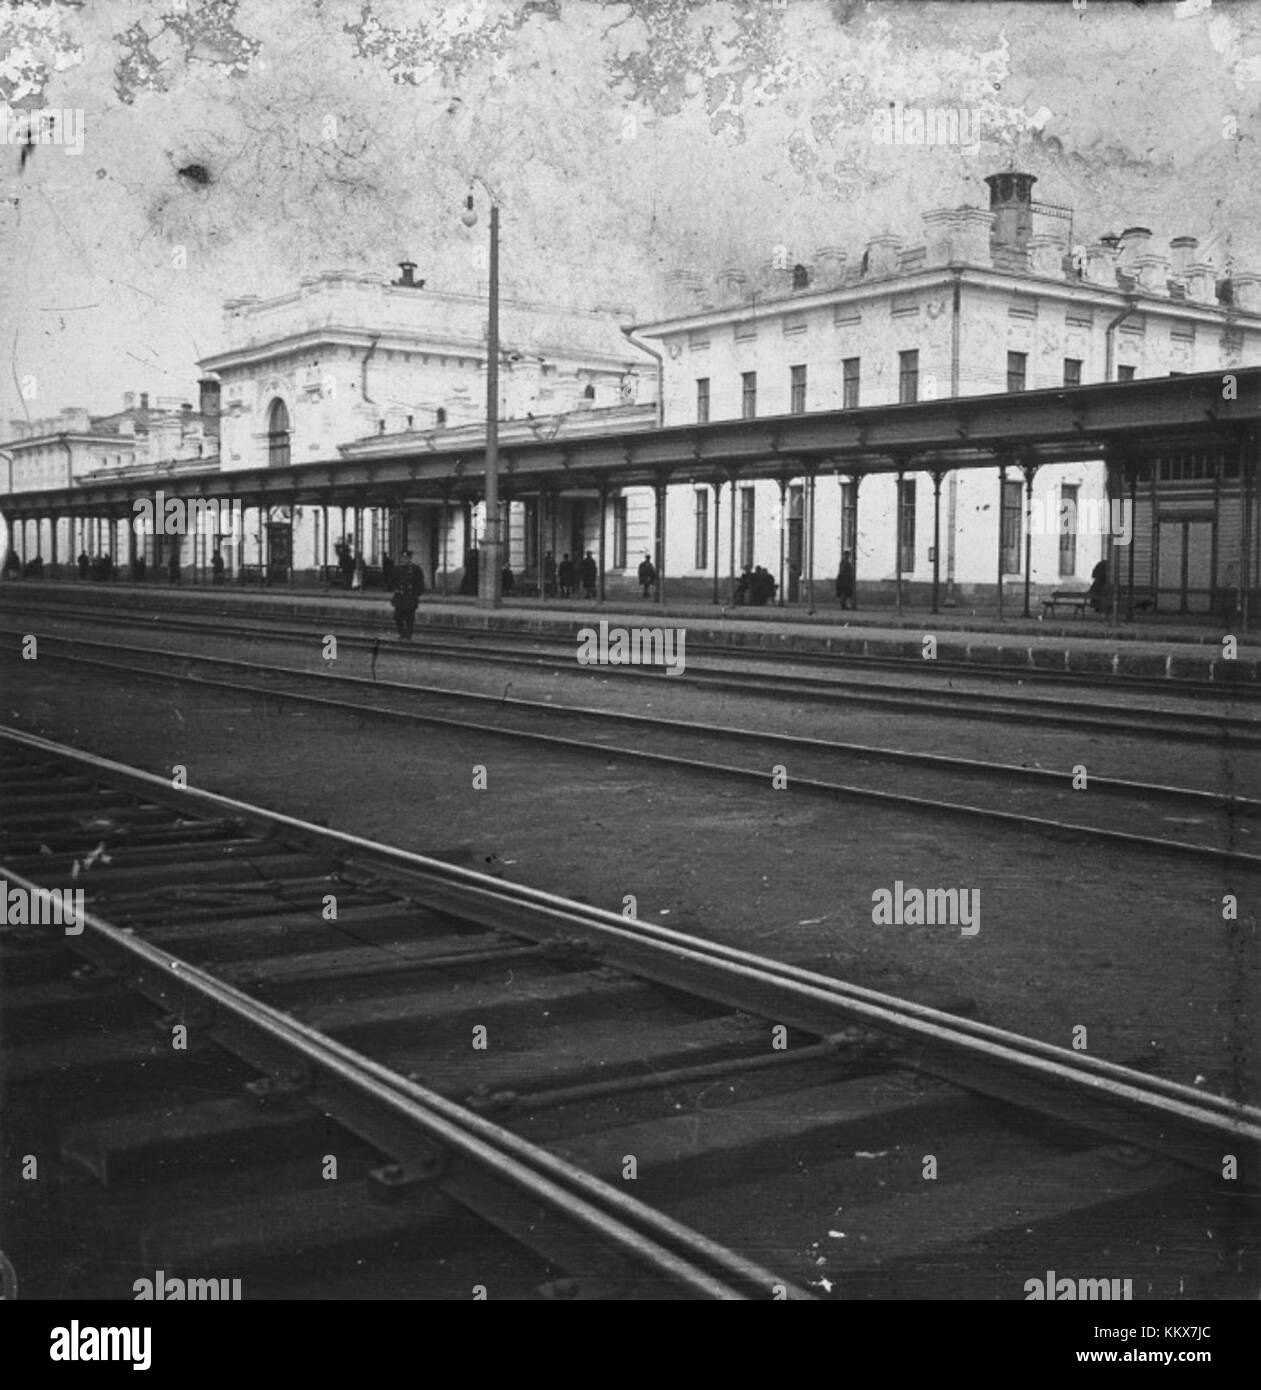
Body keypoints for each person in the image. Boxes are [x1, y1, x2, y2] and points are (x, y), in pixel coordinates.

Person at [391, 549, 424, 639]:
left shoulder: (416, 569)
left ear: (410, 558)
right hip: (400, 597)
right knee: (397, 616)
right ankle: (401, 633)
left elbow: (420, 583)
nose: (405, 560)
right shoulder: (397, 569)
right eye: (403, 558)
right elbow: (392, 581)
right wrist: (394, 589)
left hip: (410, 597)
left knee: (410, 618)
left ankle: (408, 635)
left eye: (407, 558)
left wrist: (416, 594)